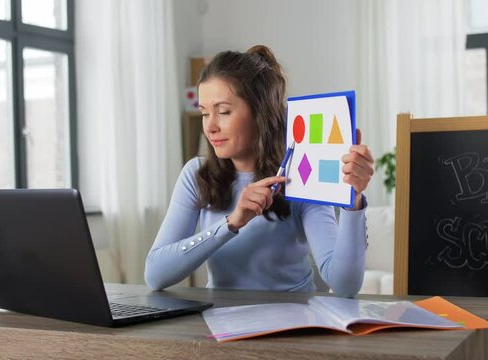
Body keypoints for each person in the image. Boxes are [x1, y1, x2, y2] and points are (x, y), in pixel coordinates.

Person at [145, 45, 374, 297]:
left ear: (260, 113)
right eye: (204, 113)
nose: (210, 126)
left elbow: (345, 285)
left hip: (293, 324)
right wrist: (231, 223)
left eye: (223, 112)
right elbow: (155, 275)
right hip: (222, 324)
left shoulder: (299, 176)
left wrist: (354, 203)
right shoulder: (196, 174)